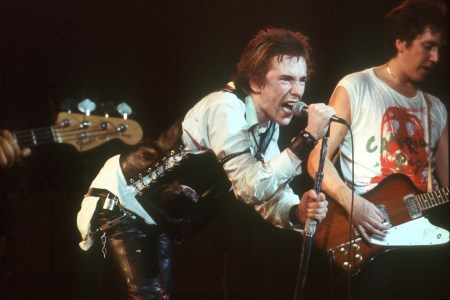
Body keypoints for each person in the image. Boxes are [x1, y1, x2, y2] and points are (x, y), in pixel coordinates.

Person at [77, 27, 335, 299]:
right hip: (122, 202)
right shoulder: (223, 108)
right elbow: (249, 186)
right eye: (286, 79)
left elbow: (267, 191)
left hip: (157, 217)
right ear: (256, 82)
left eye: (302, 80)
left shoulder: (268, 127)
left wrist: (296, 211)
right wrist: (308, 138)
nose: (297, 91)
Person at [307, 0, 448, 298]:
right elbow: (317, 162)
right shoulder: (357, 86)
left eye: (439, 48)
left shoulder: (436, 109)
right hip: (370, 233)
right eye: (428, 46)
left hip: (423, 237)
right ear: (401, 43)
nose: (436, 57)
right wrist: (353, 204)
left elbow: (446, 185)